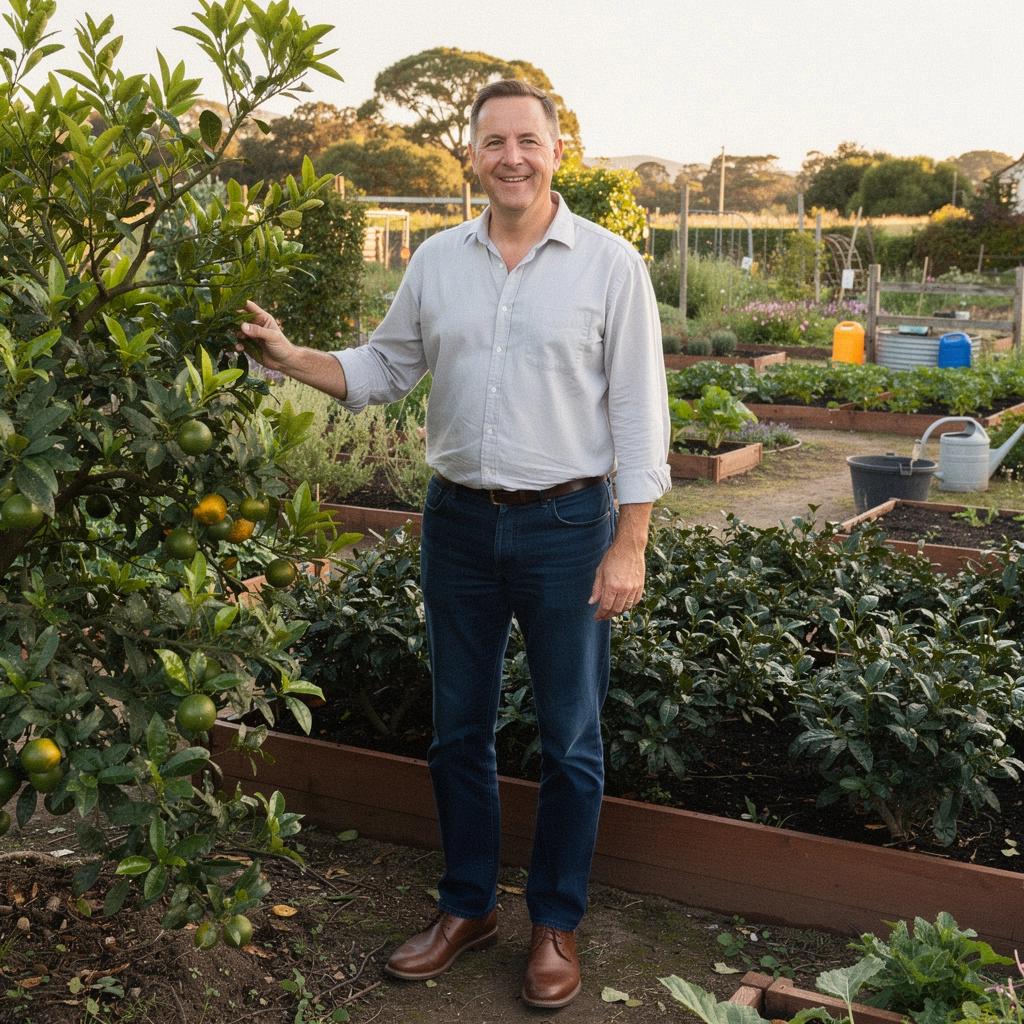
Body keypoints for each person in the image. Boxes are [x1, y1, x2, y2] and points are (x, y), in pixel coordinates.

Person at [240, 78, 670, 1009]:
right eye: (492, 142)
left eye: (528, 140)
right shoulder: (438, 261)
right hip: (460, 525)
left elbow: (640, 415)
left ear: (560, 150)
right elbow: (385, 366)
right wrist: (292, 356)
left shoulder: (609, 266)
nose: (510, 156)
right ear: (470, 156)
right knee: (457, 732)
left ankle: (554, 924)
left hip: (567, 526)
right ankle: (467, 905)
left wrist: (627, 542)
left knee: (572, 740)